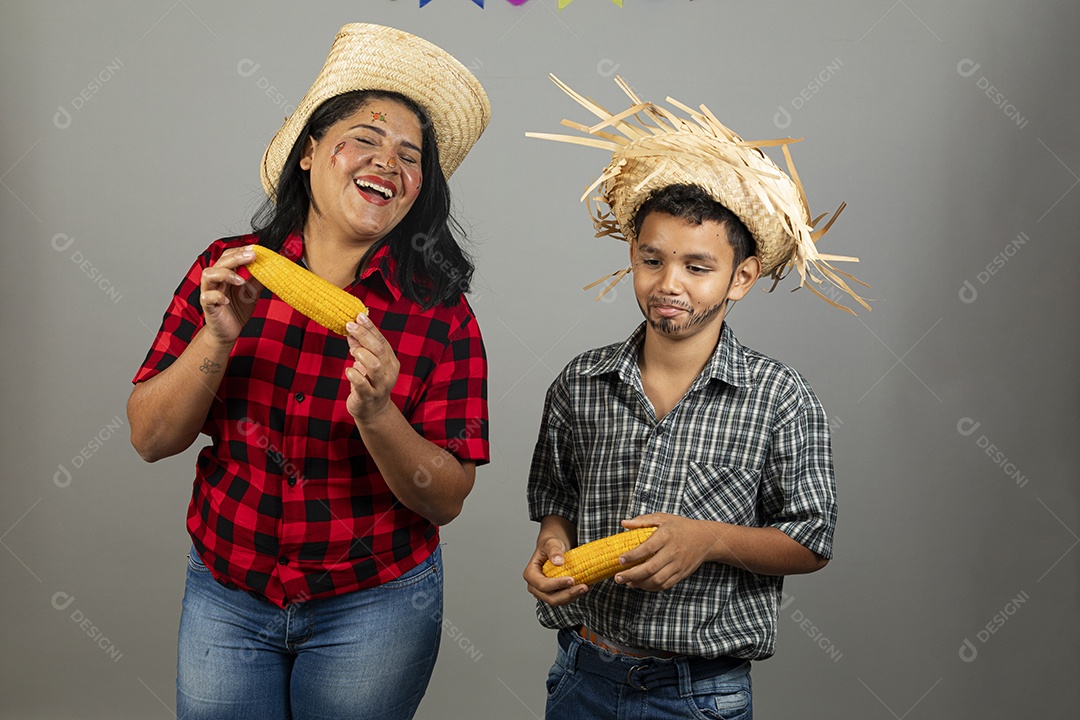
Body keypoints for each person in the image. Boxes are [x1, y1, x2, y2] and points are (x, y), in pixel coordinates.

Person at [127, 23, 490, 720]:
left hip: (374, 604)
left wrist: (379, 413)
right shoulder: (227, 270)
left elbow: (445, 499)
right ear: (308, 151)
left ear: (419, 188)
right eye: (365, 138)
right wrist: (217, 338)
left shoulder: (441, 312)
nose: (387, 162)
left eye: (410, 155)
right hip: (227, 592)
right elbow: (149, 438)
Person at [522, 76, 869, 719]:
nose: (669, 283)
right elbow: (558, 502)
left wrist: (707, 540)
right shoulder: (579, 383)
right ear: (633, 255)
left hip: (699, 693)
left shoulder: (779, 397)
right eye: (652, 260)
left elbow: (811, 538)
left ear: (741, 277)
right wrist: (551, 545)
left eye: (697, 267)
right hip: (583, 675)